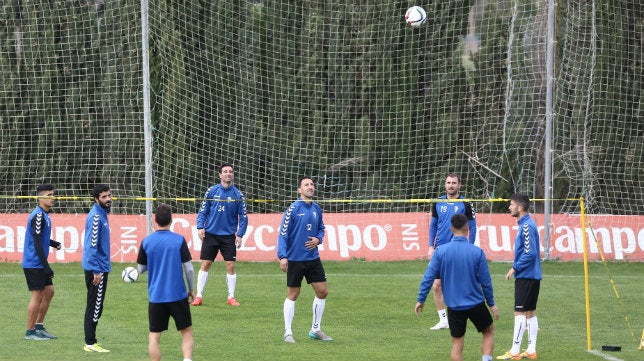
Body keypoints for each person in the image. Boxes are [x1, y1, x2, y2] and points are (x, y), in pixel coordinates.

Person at [415, 214, 499, 361]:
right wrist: (491, 303)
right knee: (488, 331)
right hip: (475, 303)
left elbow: (428, 277)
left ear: (451, 229)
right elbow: (486, 282)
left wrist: (421, 299)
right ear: (468, 229)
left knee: (457, 343)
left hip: (454, 306)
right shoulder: (477, 252)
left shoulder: (440, 252)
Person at [277, 176, 333, 343]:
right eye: (306, 185)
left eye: (312, 184)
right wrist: (283, 256)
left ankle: (315, 329)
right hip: (295, 258)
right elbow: (283, 233)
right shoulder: (293, 209)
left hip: (313, 258)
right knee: (293, 294)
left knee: (323, 291)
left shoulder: (316, 208)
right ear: (299, 190)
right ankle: (288, 332)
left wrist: (318, 239)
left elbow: (321, 229)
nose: (310, 187)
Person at [137, 204, 195, 361]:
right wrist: (191, 289)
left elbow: (141, 269)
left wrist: (155, 263)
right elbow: (189, 269)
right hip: (177, 295)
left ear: (154, 220)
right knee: (186, 331)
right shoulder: (179, 240)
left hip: (156, 296)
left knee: (154, 336)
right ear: (171, 220)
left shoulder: (147, 242)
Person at [192, 162, 248, 306]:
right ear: (220, 175)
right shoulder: (211, 191)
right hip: (211, 234)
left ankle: (231, 297)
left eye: (230, 171)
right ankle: (198, 296)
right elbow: (202, 211)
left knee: (230, 265)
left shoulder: (238, 195)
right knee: (206, 264)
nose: (228, 173)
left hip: (228, 236)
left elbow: (244, 217)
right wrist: (200, 227)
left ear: (233, 175)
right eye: (225, 171)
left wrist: (240, 234)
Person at [426, 173, 477, 330]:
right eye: (448, 182)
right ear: (445, 184)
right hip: (441, 249)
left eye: (454, 183)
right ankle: (443, 320)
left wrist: (470, 246)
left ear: (459, 185)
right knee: (437, 285)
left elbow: (473, 226)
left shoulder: (466, 203)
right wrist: (430, 245)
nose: (451, 185)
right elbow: (433, 225)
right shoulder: (437, 202)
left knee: (461, 285)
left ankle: (468, 314)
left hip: (459, 248)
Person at [496, 193, 542, 360]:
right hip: (532, 276)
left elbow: (530, 253)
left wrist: (514, 268)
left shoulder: (526, 226)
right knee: (530, 313)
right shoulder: (526, 224)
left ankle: (514, 352)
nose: (509, 207)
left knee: (520, 313)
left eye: (512, 204)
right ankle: (531, 350)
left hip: (527, 276)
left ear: (520, 208)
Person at [22, 184, 62, 340]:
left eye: (53, 194)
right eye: (49, 195)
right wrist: (47, 268)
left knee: (49, 292)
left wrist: (53, 243)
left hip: (38, 263)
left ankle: (39, 326)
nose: (52, 198)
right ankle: (29, 332)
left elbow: (39, 237)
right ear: (40, 198)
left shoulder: (45, 214)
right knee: (37, 296)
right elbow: (37, 243)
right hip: (34, 263)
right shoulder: (38, 215)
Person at [82, 184, 113, 352]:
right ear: (96, 199)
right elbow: (91, 245)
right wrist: (96, 270)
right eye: (103, 197)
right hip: (97, 270)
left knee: (96, 306)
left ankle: (91, 341)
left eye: (109, 195)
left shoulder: (102, 214)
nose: (108, 199)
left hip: (100, 267)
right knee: (95, 306)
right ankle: (90, 343)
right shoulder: (96, 217)